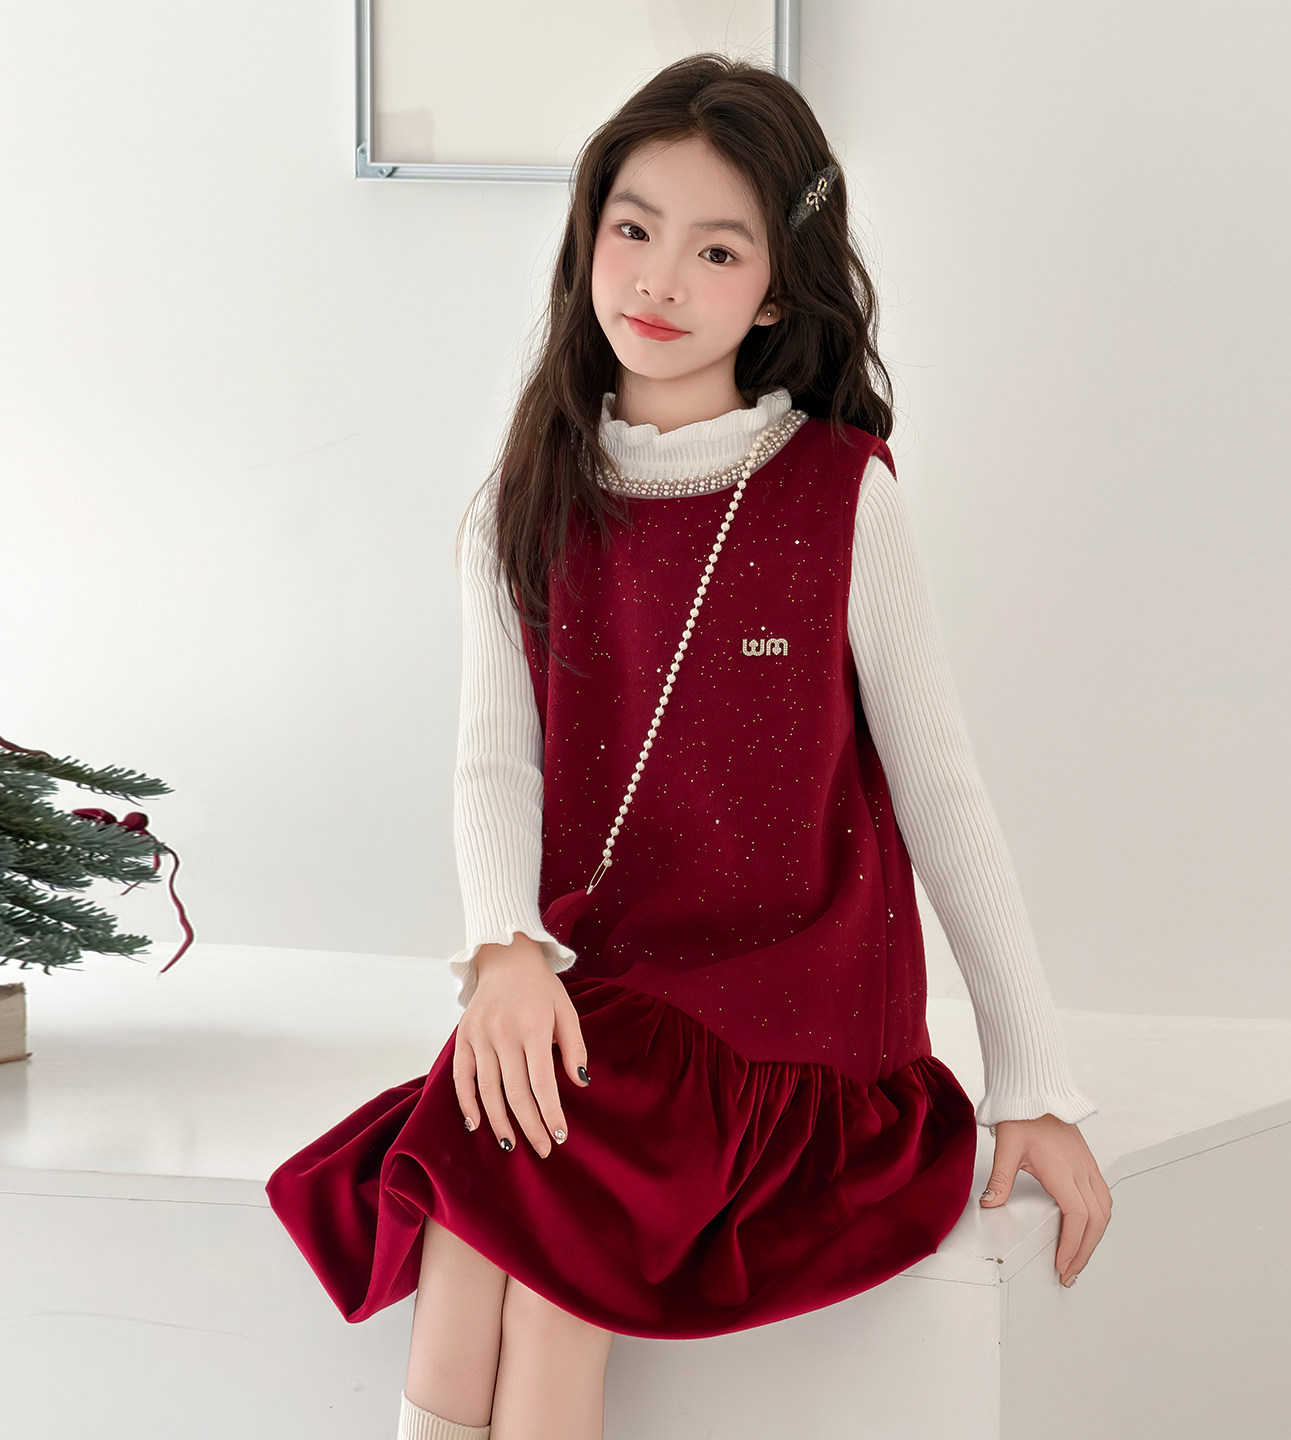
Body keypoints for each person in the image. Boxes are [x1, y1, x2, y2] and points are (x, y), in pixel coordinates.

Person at [266, 52, 1112, 1440]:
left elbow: (940, 787)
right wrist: (503, 953)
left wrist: (1033, 1080)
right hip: (598, 998)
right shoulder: (526, 499)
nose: (659, 281)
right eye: (633, 229)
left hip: (791, 1022)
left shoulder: (839, 495)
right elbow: (494, 764)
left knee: (536, 1246)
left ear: (776, 290)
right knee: (477, 1214)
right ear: (587, 236)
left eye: (717, 250)